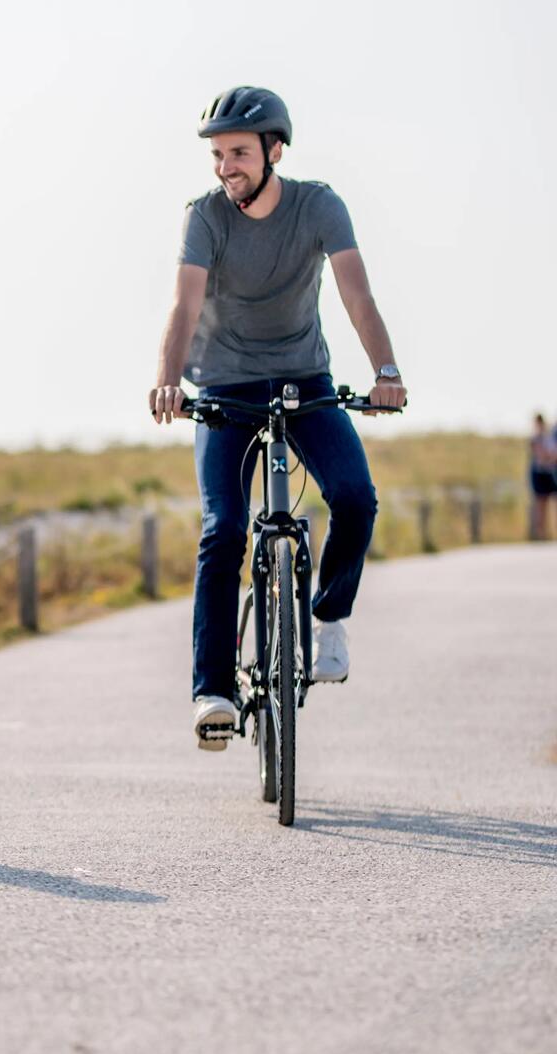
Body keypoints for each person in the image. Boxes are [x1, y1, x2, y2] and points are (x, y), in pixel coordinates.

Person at [148, 87, 408, 749]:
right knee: (224, 529)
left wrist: (384, 371)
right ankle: (212, 691)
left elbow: (357, 293)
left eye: (237, 152)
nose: (224, 165)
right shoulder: (204, 217)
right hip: (224, 388)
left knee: (354, 495)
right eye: (217, 154)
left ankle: (329, 617)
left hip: (304, 379)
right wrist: (169, 381)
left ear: (274, 150)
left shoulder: (319, 206)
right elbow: (183, 307)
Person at [532, 414, 557, 541]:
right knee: (541, 503)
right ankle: (541, 534)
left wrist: (549, 457)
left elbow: (553, 455)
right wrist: (549, 457)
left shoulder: (549, 437)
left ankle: (550, 532)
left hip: (550, 473)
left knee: (552, 502)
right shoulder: (535, 438)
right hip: (540, 473)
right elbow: (540, 455)